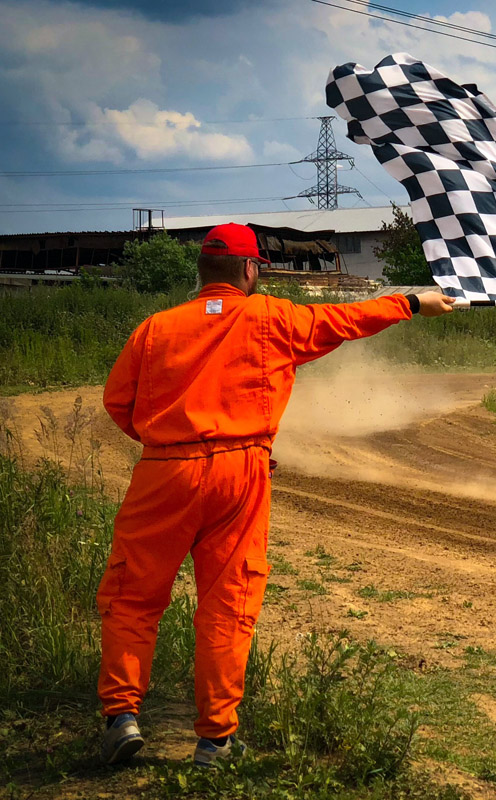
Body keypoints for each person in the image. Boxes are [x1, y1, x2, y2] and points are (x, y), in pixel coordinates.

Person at [97, 223, 454, 766]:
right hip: (242, 473)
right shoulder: (272, 318)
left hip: (162, 472)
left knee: (133, 597)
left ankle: (121, 717)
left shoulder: (154, 329)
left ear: (201, 272)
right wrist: (411, 300)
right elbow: (349, 319)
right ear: (250, 269)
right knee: (228, 602)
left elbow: (118, 403)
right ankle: (215, 740)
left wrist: (169, 444)